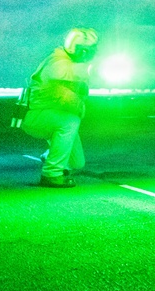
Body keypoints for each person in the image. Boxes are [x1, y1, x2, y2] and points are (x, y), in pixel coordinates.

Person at [22, 28, 98, 187]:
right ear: (73, 46)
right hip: (37, 116)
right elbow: (67, 73)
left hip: (54, 117)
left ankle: (49, 156)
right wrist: (93, 68)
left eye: (90, 50)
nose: (86, 54)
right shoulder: (57, 62)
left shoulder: (75, 66)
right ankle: (51, 174)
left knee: (77, 163)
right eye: (83, 49)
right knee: (70, 122)